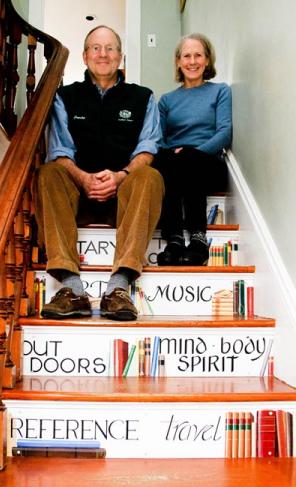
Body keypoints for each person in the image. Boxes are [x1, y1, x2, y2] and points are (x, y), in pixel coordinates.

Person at [35, 25, 164, 321]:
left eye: (109, 48)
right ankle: (71, 288)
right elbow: (60, 149)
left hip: (125, 197)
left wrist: (120, 176)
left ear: (120, 56)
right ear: (84, 56)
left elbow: (148, 148)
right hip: (78, 195)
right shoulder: (65, 96)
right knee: (49, 172)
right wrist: (83, 178)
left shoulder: (143, 97)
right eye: (95, 48)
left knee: (151, 176)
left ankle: (118, 287)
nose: (102, 54)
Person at [155, 33, 232, 266]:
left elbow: (225, 133)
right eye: (186, 56)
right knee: (164, 162)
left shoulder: (220, 91)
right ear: (178, 62)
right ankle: (176, 239)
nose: (192, 61)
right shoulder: (167, 100)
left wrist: (194, 153)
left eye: (198, 55)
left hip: (209, 164)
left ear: (207, 60)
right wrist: (175, 154)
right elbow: (158, 139)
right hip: (175, 162)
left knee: (188, 159)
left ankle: (198, 238)